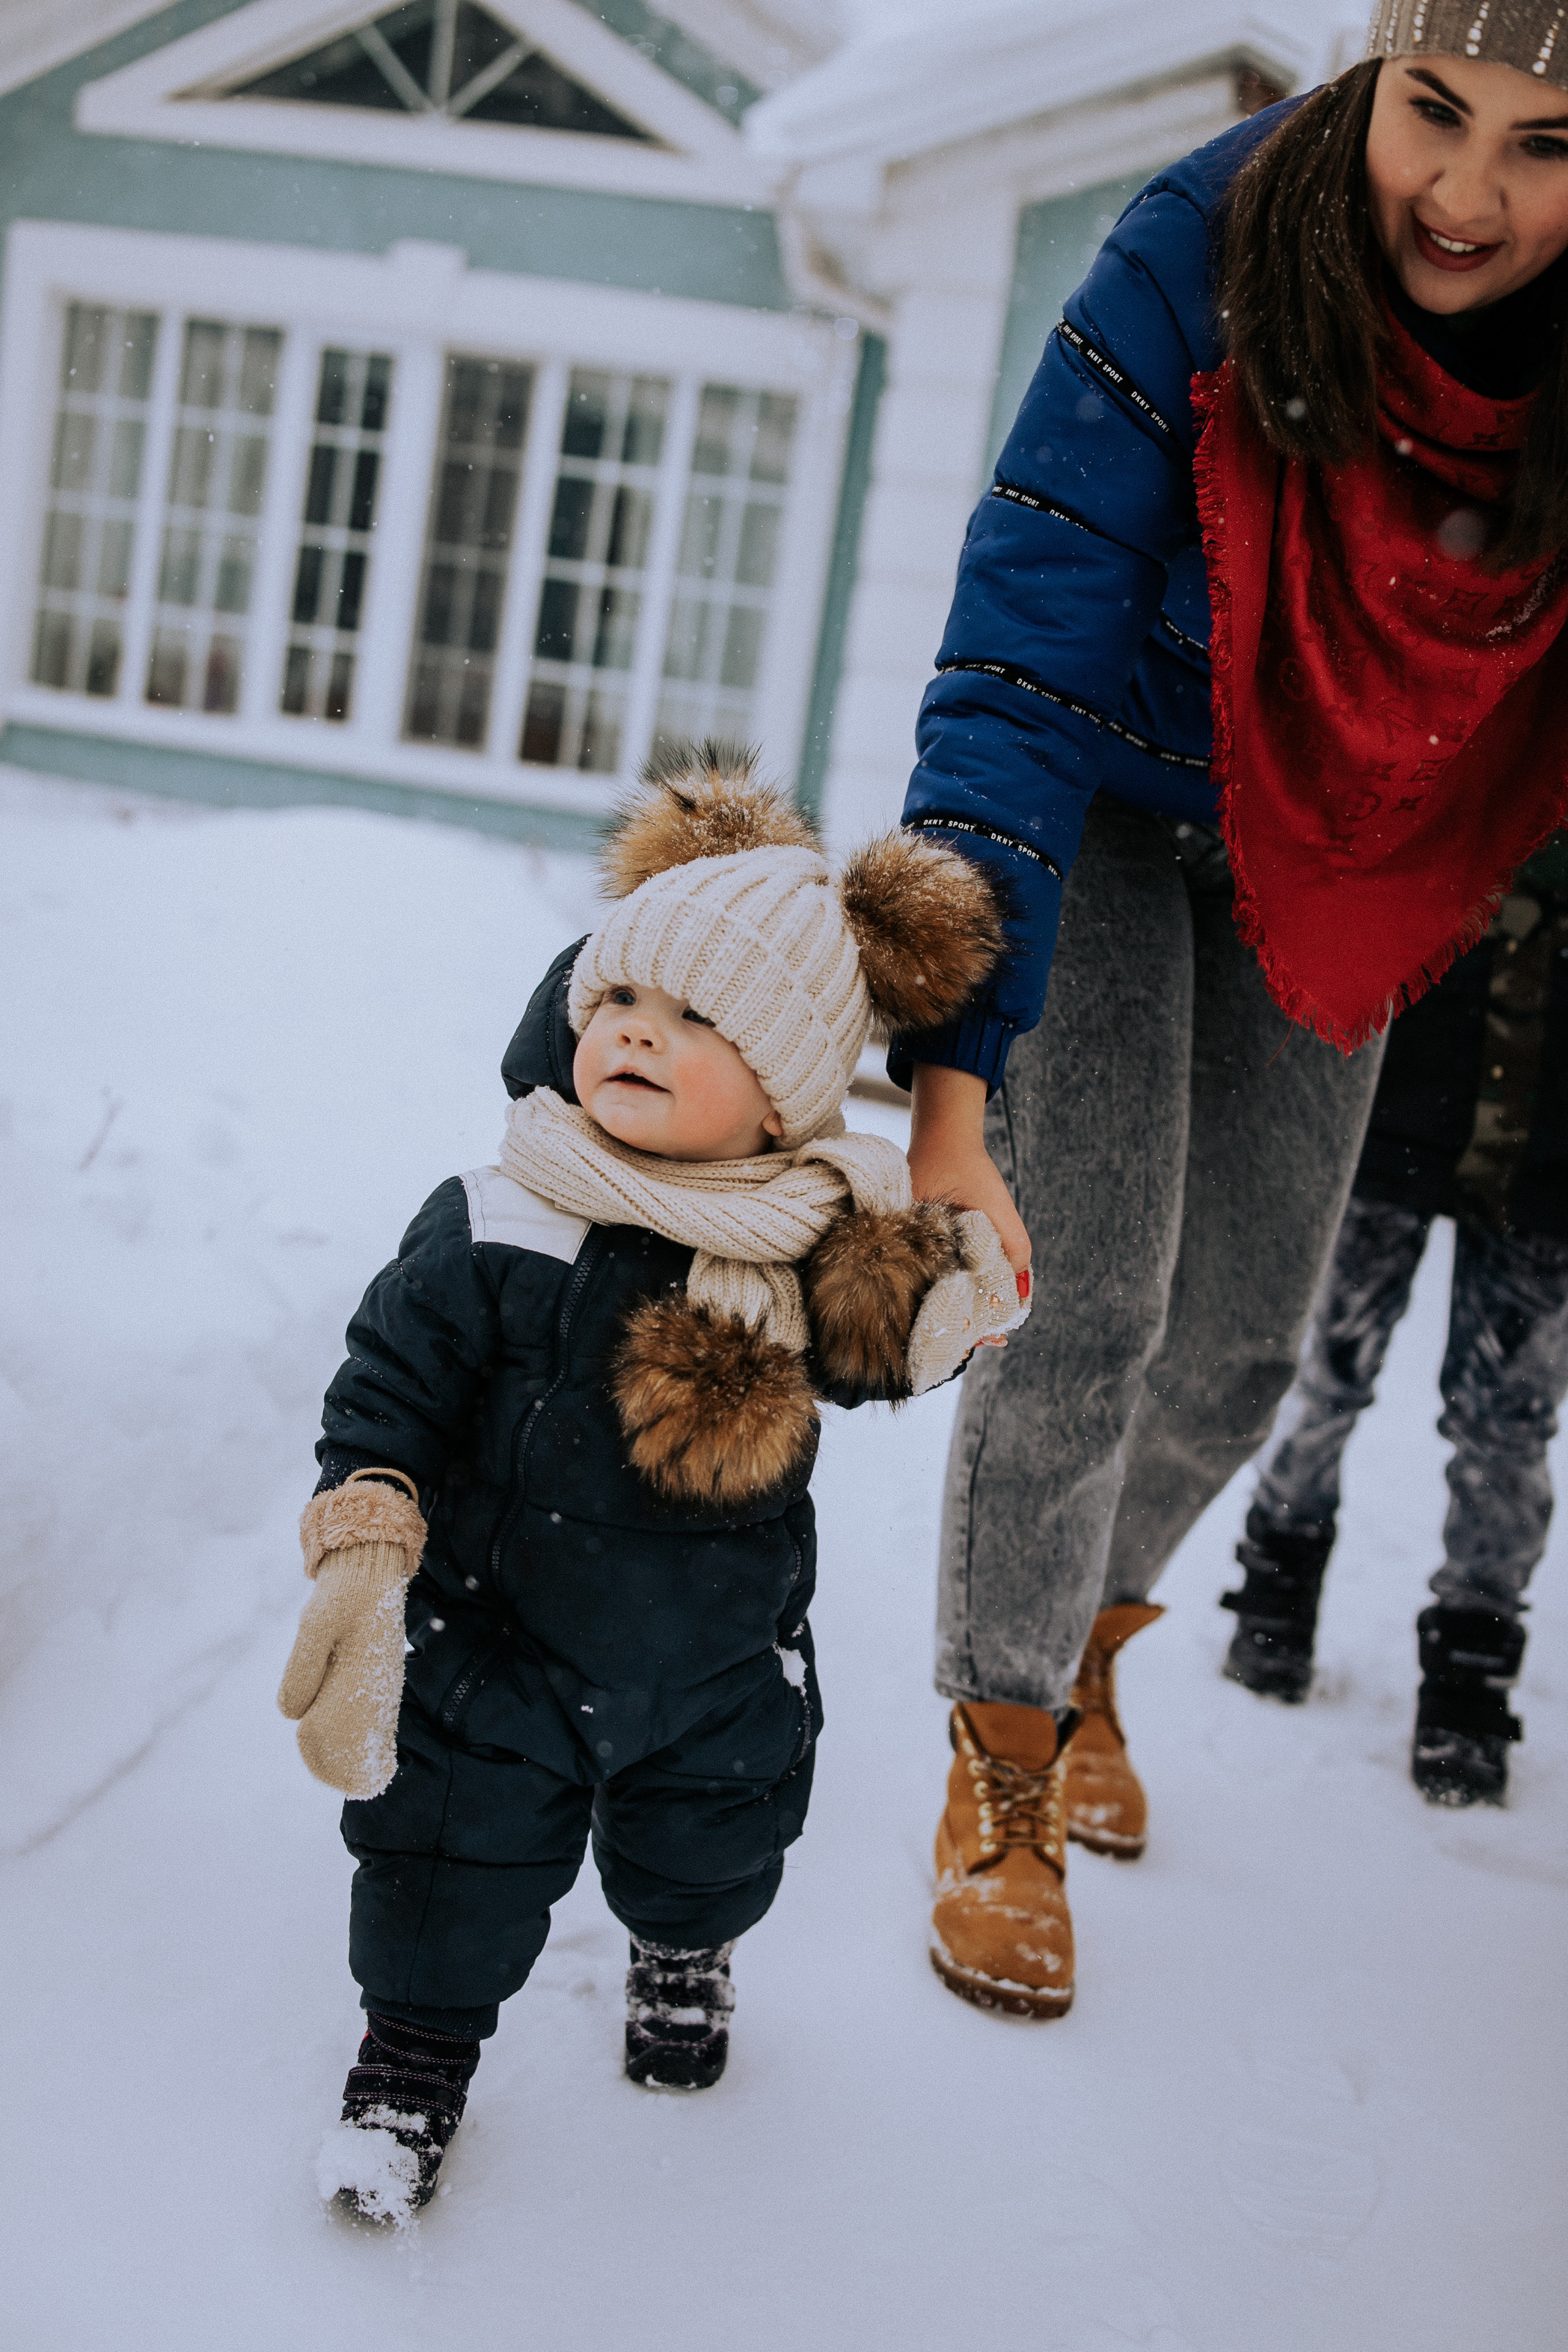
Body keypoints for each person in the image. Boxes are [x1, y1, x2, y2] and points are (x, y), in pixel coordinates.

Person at [892, 9, 1568, 2016]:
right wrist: (952, 1072)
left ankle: (1091, 1639)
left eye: (1547, 144)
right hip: (1103, 795)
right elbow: (1019, 649)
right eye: (1434, 112)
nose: (1463, 193)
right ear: (1375, 68)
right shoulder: (1200, 250)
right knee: (1083, 1294)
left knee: (1252, 1332)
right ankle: (1002, 1756)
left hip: (1344, 830)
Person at [276, 747, 1023, 2222]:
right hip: (490, 1636)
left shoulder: (813, 1244)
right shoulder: (500, 1210)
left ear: (781, 1097)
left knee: (714, 1834)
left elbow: (907, 1350)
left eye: (695, 1019)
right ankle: (412, 2055)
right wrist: (368, 1531)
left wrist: (954, 1282)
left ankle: (685, 1952)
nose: (633, 1032)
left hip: (709, 1659)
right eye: (615, 999)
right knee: (444, 1851)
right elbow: (391, 1383)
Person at [1223, 834, 1568, 1806]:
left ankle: (1472, 1664)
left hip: (1551, 1126)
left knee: (1509, 1416)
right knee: (1330, 1364)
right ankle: (1277, 1579)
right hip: (1404, 1074)